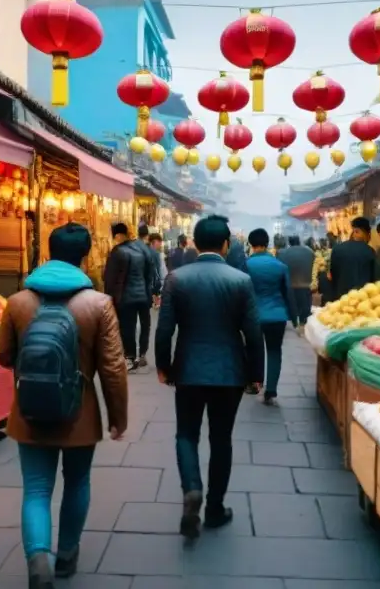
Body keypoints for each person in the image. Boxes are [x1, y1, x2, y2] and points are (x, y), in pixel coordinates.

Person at [0, 223, 128, 588]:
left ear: (49, 251)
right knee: (77, 481)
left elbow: (2, 355)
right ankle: (67, 554)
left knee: (36, 488)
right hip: (80, 414)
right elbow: (113, 368)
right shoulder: (99, 305)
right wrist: (118, 417)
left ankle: (39, 558)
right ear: (84, 255)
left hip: (29, 410)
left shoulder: (19, 302)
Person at [155, 215, 264, 539]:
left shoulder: (176, 278)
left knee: (186, 435)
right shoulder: (240, 280)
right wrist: (256, 375)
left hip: (188, 369)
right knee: (221, 439)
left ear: (195, 242)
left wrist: (164, 366)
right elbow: (253, 334)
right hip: (229, 372)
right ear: (226, 244)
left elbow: (164, 331)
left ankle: (192, 488)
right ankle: (214, 508)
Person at [245, 228, 295, 405]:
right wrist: (294, 316)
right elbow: (287, 292)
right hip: (277, 315)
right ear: (267, 243)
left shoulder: (246, 265)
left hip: (254, 316)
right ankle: (271, 389)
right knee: (274, 351)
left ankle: (255, 383)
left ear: (251, 244)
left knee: (253, 350)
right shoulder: (280, 266)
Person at [103, 223, 155, 371]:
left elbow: (110, 278)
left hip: (126, 297)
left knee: (128, 327)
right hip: (143, 295)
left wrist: (109, 297)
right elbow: (149, 272)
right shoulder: (142, 249)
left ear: (118, 235)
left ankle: (130, 357)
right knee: (145, 324)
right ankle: (143, 353)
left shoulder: (118, 251)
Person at [328, 217, 377, 300]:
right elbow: (374, 277)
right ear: (366, 233)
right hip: (362, 298)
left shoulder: (337, 248)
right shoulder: (370, 251)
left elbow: (332, 275)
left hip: (340, 297)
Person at [277, 235, 314, 331]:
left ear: (289, 242)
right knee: (304, 307)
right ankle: (303, 323)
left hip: (289, 285)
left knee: (291, 306)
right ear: (299, 241)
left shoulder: (282, 253)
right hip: (305, 284)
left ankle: (294, 323)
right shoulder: (309, 252)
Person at [149, 233, 167, 302]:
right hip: (156, 290)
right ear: (154, 242)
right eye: (159, 242)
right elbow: (163, 274)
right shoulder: (158, 255)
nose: (160, 245)